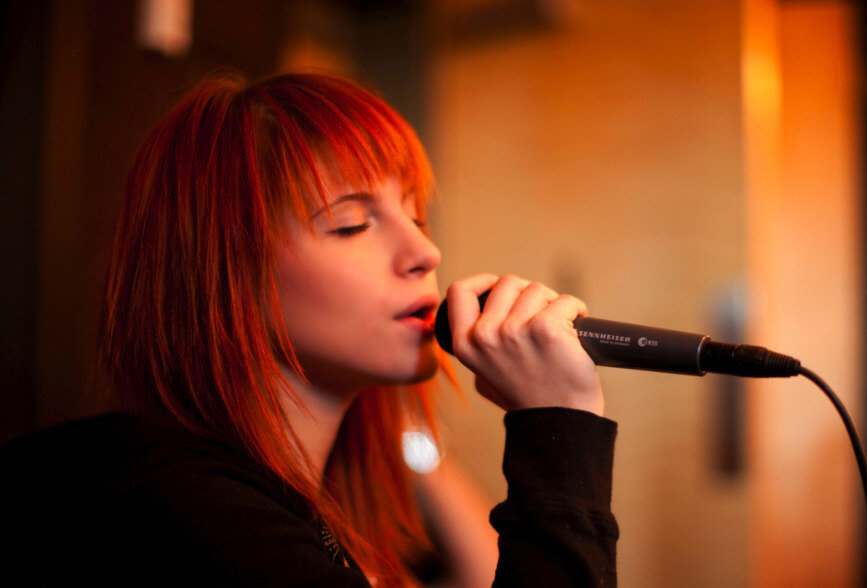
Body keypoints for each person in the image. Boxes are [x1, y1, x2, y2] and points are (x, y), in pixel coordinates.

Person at [0, 72, 617, 587]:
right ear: (226, 272)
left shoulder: (315, 499)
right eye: (351, 224)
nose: (424, 253)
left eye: (416, 215)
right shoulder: (179, 511)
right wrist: (558, 428)